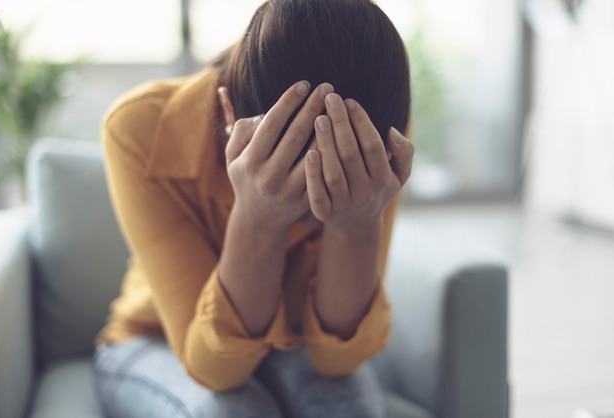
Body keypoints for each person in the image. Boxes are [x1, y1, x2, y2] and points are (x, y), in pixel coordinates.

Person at [91, 0, 413, 417]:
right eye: (297, 174)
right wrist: (258, 219)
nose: (316, 204)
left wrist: (356, 225)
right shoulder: (139, 129)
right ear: (228, 112)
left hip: (295, 342)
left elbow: (336, 361)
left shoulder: (373, 138)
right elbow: (216, 373)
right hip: (154, 340)